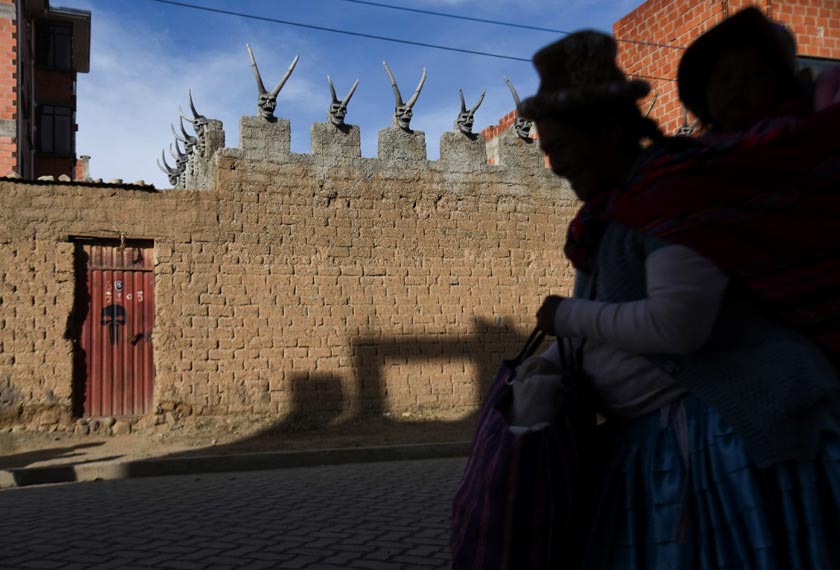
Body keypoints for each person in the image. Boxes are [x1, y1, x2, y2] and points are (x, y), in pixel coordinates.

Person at [516, 26, 840, 569]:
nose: (558, 165)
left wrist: (567, 316)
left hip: (729, 449)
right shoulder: (613, 211)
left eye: (564, 147)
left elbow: (677, 325)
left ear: (607, 130)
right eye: (548, 151)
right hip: (656, 448)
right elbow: (616, 316)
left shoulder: (674, 192)